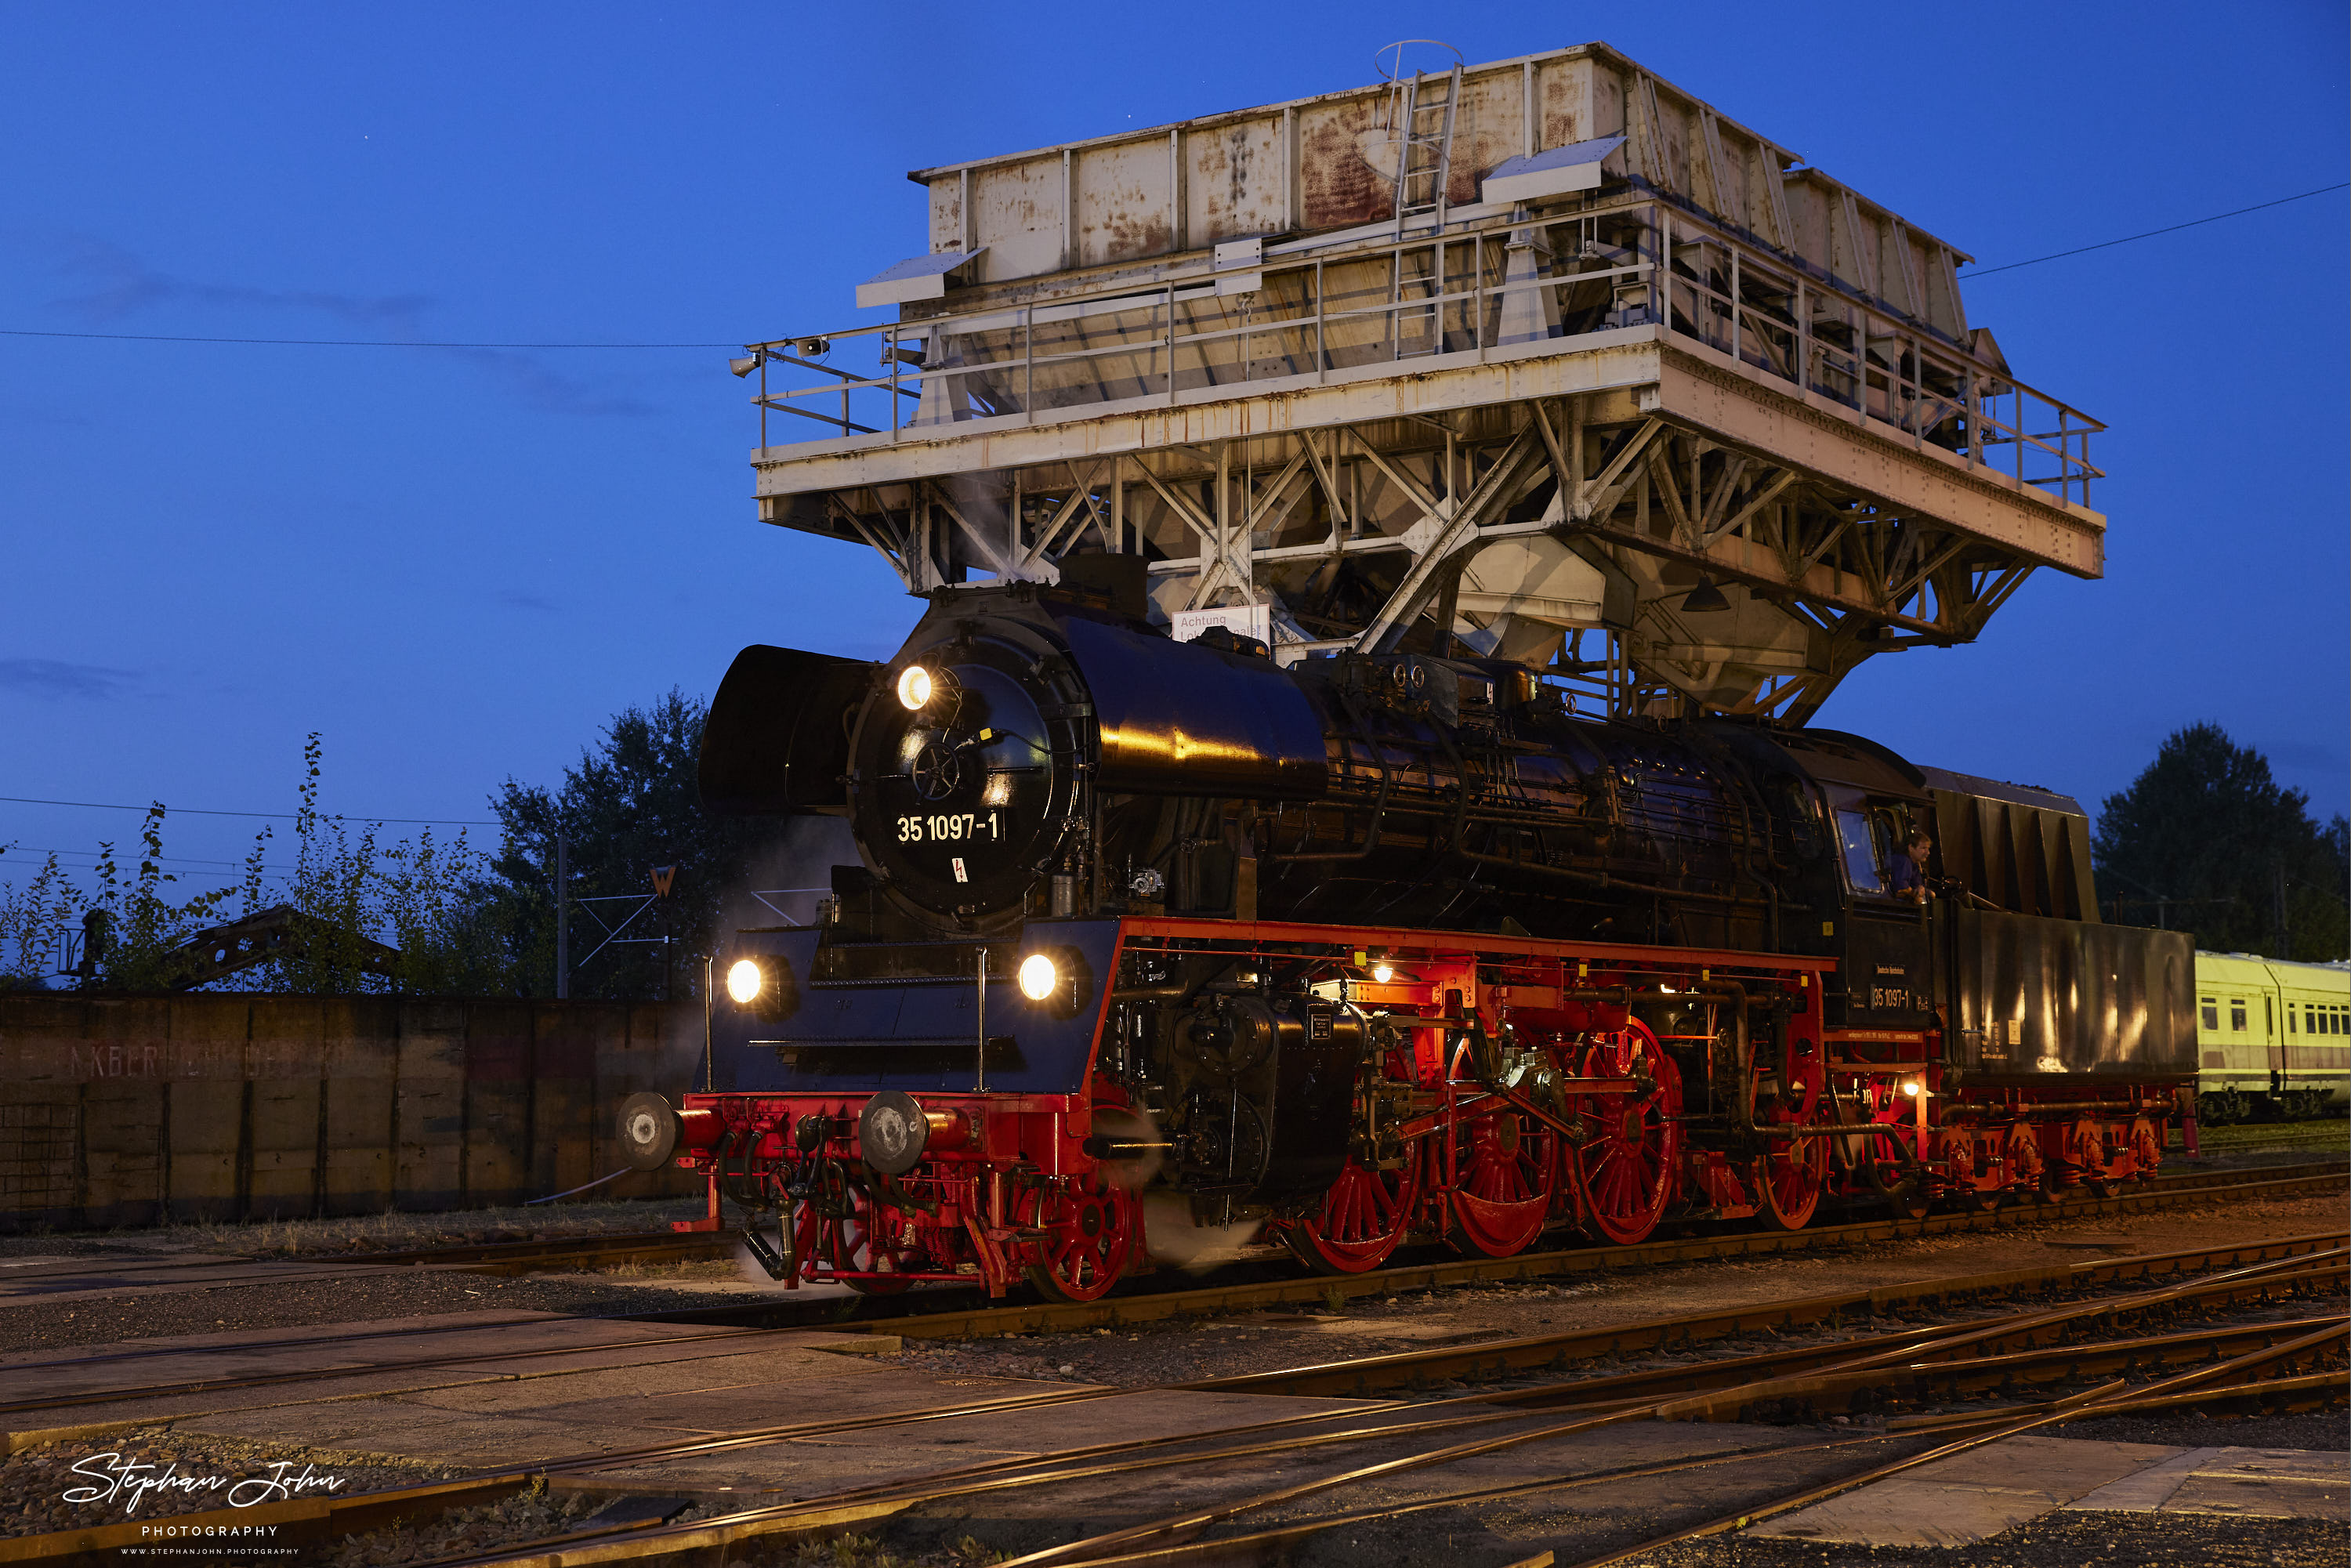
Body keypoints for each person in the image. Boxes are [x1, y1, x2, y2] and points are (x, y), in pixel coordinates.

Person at [1889, 828, 1933, 903]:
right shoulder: (1903, 861)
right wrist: (1916, 894)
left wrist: (1928, 893)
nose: (1928, 853)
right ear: (1911, 848)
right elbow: (1901, 890)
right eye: (1923, 848)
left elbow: (1916, 885)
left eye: (1928, 849)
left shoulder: (1914, 865)